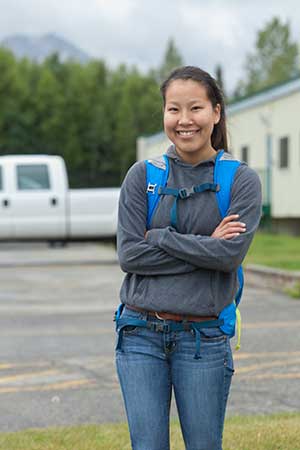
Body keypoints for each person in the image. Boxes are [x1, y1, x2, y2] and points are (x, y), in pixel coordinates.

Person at [115, 65, 262, 450]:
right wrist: (205, 247)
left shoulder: (240, 180)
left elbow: (229, 256)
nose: (184, 121)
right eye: (173, 110)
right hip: (139, 335)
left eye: (195, 108)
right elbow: (131, 255)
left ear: (216, 112)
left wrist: (163, 238)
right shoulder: (142, 176)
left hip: (204, 339)